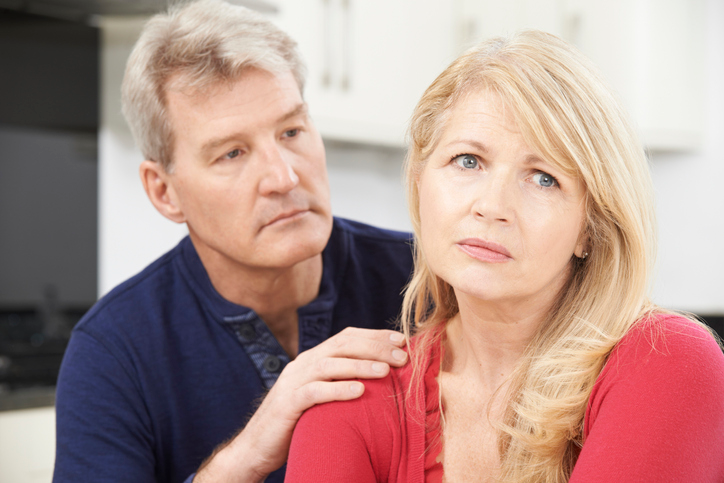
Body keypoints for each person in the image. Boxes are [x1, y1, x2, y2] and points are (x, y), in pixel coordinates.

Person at [285, 30, 724, 482]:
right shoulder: (350, 399)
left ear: (590, 229)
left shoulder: (668, 361)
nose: (492, 206)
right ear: (420, 181)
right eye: (468, 160)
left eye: (543, 178)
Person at [52, 1, 414, 482]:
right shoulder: (113, 352)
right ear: (164, 191)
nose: (284, 176)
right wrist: (251, 451)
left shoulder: (427, 277)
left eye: (292, 130)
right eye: (232, 153)